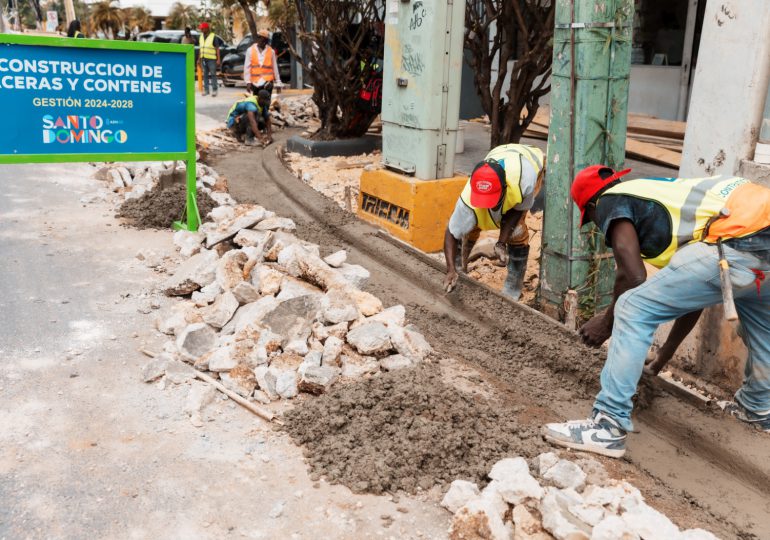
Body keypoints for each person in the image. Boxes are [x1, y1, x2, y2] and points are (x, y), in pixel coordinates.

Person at [543, 166, 770, 458]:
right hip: (759, 233)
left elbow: (633, 277)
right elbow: (691, 298)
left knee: (632, 306)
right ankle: (756, 409)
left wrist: (606, 321)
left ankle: (607, 426)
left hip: (739, 237)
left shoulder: (611, 201)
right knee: (763, 329)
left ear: (591, 206)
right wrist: (661, 359)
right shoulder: (660, 199)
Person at [443, 144, 545, 300]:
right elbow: (451, 232)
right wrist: (450, 269)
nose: (486, 205)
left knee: (516, 231)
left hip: (529, 159)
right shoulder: (466, 200)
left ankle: (512, 289)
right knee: (468, 223)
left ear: (505, 188)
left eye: (490, 199)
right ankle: (459, 271)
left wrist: (501, 243)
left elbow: (517, 210)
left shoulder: (524, 181)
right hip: (500, 155)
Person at [243, 29, 282, 96]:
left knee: (266, 103)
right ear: (258, 39)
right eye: (262, 40)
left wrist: (278, 82)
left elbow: (275, 68)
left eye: (266, 41)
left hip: (267, 83)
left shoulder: (271, 52)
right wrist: (248, 82)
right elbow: (247, 68)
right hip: (255, 83)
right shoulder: (250, 50)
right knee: (256, 103)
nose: (264, 42)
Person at [198, 22, 223, 97]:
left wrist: (218, 59)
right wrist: (199, 59)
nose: (201, 30)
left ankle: (214, 90)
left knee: (213, 74)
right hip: (203, 59)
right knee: (205, 75)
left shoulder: (213, 36)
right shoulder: (201, 36)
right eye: (201, 29)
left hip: (211, 59)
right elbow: (201, 48)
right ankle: (206, 90)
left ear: (207, 28)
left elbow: (217, 49)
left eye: (202, 28)